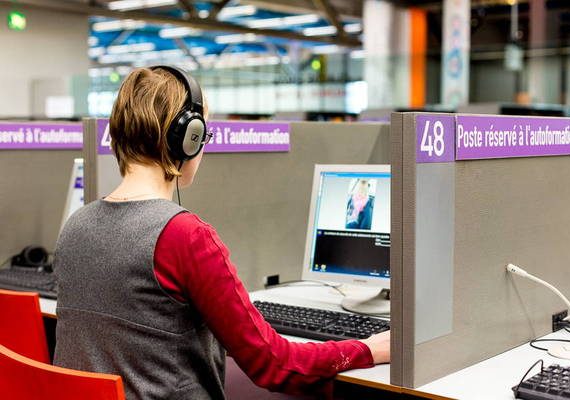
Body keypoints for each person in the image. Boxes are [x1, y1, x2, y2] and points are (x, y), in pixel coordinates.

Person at [53, 66, 390, 400]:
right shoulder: (183, 236)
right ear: (189, 139)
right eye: (204, 137)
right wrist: (366, 349)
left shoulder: (75, 226)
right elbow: (274, 364)